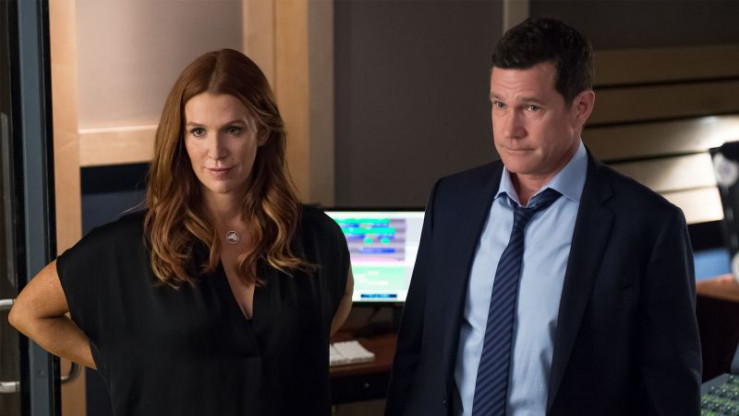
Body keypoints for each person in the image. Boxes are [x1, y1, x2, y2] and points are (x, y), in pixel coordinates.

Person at [9, 48, 353, 416]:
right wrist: (124, 362)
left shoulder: (318, 236)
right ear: (181, 138)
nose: (216, 151)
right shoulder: (124, 247)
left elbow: (334, 310)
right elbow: (27, 313)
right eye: (198, 131)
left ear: (263, 131)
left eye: (233, 130)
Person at [385, 17, 701, 416]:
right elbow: (415, 351)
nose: (510, 130)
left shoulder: (647, 225)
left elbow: (671, 389)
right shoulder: (450, 200)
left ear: (581, 107)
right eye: (499, 105)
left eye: (531, 108)